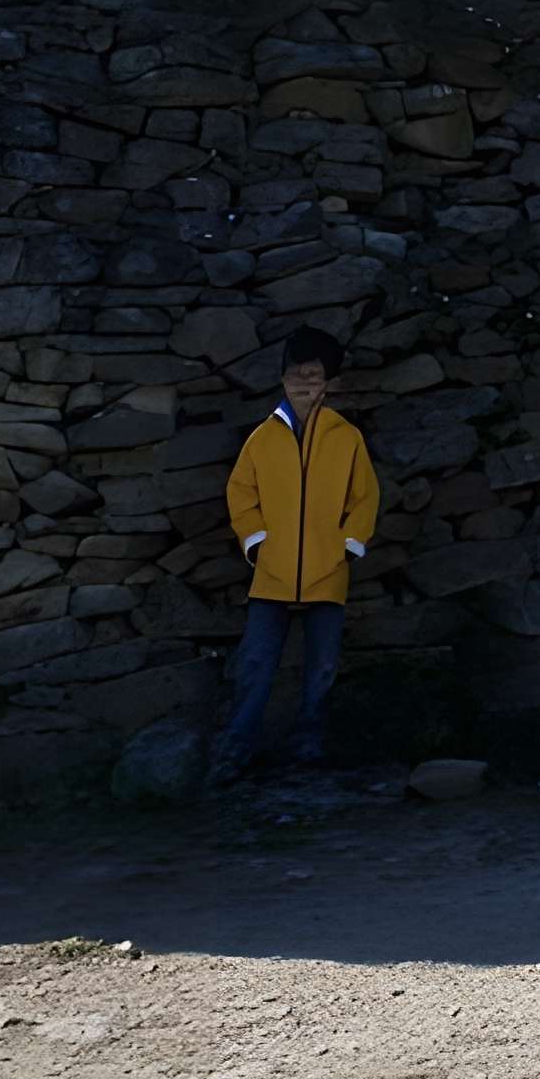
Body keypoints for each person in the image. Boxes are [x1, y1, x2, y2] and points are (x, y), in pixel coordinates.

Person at [210, 325, 379, 781]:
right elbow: (240, 494)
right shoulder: (262, 439)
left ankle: (309, 745)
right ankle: (238, 748)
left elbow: (364, 498)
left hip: (328, 574)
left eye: (314, 373)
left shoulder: (347, 438)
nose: (305, 381)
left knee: (322, 667)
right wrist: (257, 544)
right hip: (271, 576)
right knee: (256, 665)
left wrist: (346, 548)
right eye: (297, 372)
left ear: (328, 382)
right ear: (283, 379)